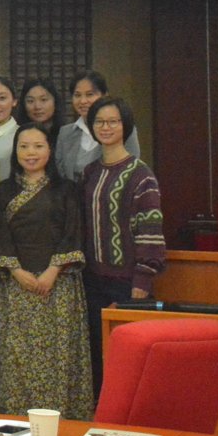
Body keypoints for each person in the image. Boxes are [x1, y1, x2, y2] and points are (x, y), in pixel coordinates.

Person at [0, 123, 92, 419]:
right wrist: (16, 271)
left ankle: (63, 415)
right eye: (24, 146)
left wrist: (53, 270)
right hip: (17, 284)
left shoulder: (66, 189)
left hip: (58, 284)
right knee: (19, 352)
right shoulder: (4, 190)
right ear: (15, 151)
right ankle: (19, 414)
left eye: (38, 146)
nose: (30, 153)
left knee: (60, 351)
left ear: (50, 149)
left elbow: (72, 231)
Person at [80, 96, 165, 393]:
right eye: (99, 122)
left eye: (113, 121)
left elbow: (150, 231)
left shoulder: (141, 175)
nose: (106, 127)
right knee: (97, 354)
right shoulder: (90, 172)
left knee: (127, 358)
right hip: (92, 280)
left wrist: (142, 279)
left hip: (128, 282)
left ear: (125, 126)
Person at [56, 70, 142, 183]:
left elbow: (131, 169)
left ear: (104, 95)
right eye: (77, 95)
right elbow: (61, 174)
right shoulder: (65, 133)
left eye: (89, 94)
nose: (83, 101)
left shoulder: (121, 128)